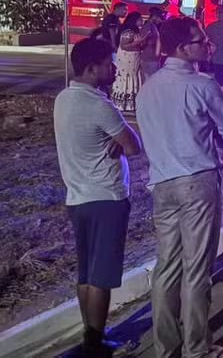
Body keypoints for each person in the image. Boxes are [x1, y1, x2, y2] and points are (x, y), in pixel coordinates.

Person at [136, 17, 223, 358]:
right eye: (201, 41)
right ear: (183, 48)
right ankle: (197, 348)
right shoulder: (202, 85)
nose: (208, 45)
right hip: (197, 182)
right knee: (196, 270)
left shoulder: (147, 88)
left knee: (166, 269)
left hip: (162, 184)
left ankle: (166, 349)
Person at [53, 38, 142, 358]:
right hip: (106, 198)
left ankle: (90, 333)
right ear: (91, 69)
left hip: (77, 198)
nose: (114, 68)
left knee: (87, 273)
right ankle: (96, 343)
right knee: (101, 276)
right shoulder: (99, 106)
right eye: (108, 63)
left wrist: (113, 137)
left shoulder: (63, 99)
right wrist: (119, 138)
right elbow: (134, 146)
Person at [113, 12, 147, 120]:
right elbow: (124, 46)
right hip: (127, 59)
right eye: (140, 19)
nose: (142, 20)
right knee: (127, 78)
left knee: (135, 77)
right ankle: (124, 103)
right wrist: (140, 41)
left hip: (135, 58)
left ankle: (132, 104)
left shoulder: (136, 31)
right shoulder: (128, 32)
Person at [140, 7, 164, 78]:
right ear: (154, 16)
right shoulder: (148, 26)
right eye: (159, 17)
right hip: (149, 57)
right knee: (151, 78)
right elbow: (143, 40)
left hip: (151, 56)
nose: (160, 20)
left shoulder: (152, 26)